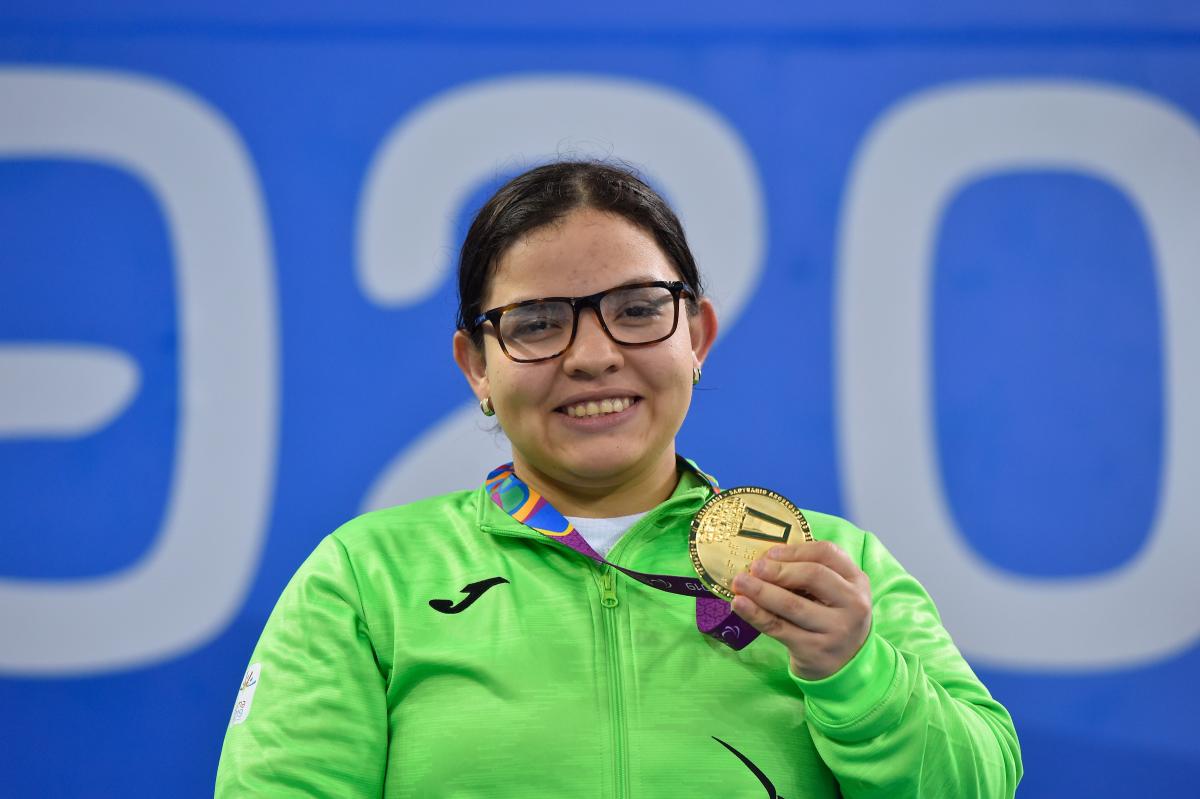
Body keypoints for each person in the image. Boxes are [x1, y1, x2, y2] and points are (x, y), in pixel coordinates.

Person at [215, 161, 1022, 797]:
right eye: (537, 322)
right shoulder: (366, 579)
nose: (594, 353)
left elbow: (979, 783)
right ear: (476, 365)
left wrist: (853, 668)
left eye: (637, 309)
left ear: (696, 335)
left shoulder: (829, 568)